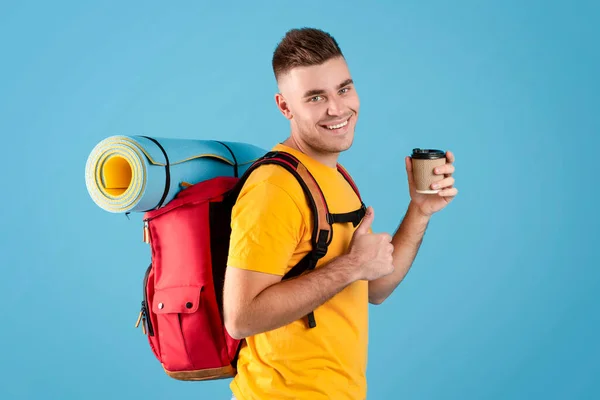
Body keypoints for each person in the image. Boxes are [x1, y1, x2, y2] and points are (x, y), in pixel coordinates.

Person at [222, 27, 458, 400]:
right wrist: (351, 267)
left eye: (344, 89)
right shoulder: (274, 187)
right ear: (285, 106)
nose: (337, 108)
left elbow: (375, 287)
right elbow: (241, 318)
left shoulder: (333, 178)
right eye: (315, 97)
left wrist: (420, 210)